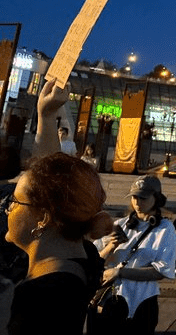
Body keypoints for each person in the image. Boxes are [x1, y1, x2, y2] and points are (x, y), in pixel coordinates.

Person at [5, 79, 110, 335]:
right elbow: (50, 182)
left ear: (43, 218)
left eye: (14, 202)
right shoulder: (80, 257)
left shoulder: (41, 297)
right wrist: (46, 115)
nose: (7, 209)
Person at [93, 175, 176, 335]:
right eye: (134, 197)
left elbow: (161, 271)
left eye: (143, 198)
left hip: (142, 302)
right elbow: (96, 260)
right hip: (110, 300)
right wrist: (111, 246)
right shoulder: (119, 224)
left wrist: (120, 272)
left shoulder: (165, 229)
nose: (137, 202)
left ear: (156, 198)